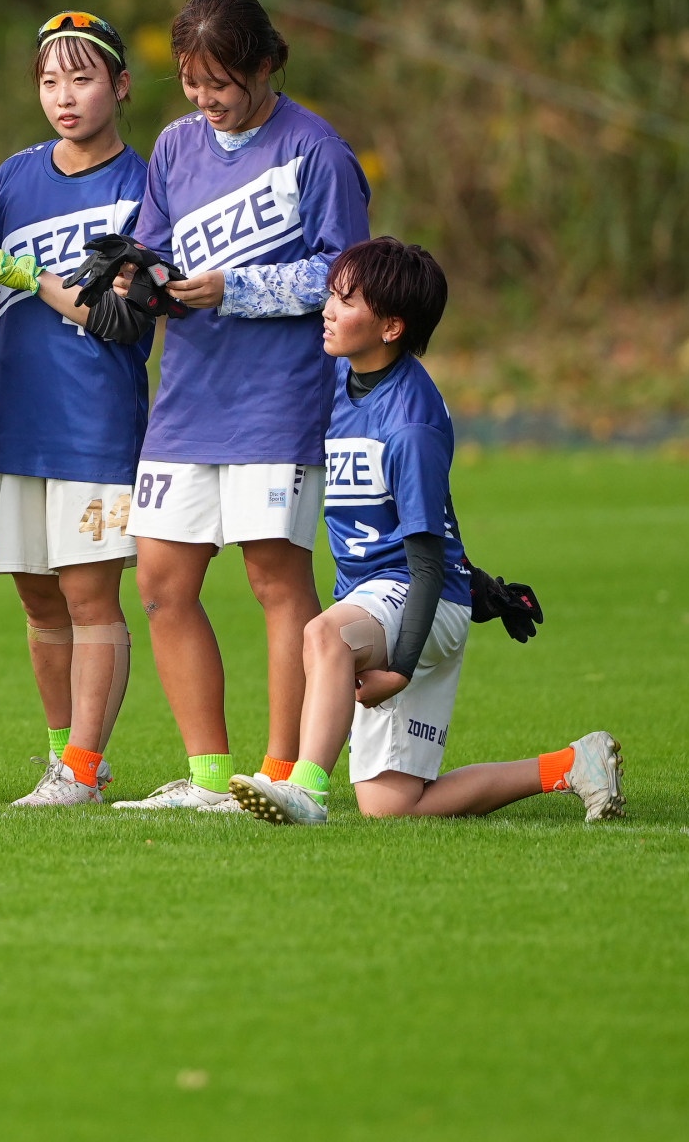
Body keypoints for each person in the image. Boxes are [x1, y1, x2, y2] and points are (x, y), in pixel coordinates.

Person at [229, 237, 623, 824]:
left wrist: (401, 668)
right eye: (332, 295)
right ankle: (573, 765)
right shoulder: (344, 376)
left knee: (325, 635)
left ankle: (305, 790)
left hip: (418, 597)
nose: (328, 310)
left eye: (346, 301)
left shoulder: (410, 423)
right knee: (391, 806)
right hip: (392, 601)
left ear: (391, 328)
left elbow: (427, 562)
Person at [118, 0, 372, 815]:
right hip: (188, 397)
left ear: (265, 64)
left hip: (279, 397)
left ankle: (281, 774)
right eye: (191, 82)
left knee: (273, 579)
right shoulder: (173, 145)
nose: (205, 99)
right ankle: (204, 779)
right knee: (161, 582)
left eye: (219, 82)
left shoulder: (316, 150)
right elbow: (155, 248)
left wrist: (236, 288)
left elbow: (349, 277)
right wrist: (137, 278)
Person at [0, 12, 149, 806]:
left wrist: (35, 278)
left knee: (90, 596)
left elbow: (124, 320)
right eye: (49, 81)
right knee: (37, 597)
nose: (65, 97)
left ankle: (85, 768)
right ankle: (64, 758)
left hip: (95, 421)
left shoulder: (146, 187)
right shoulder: (13, 178)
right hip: (14, 422)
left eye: (83, 79)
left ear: (120, 86)